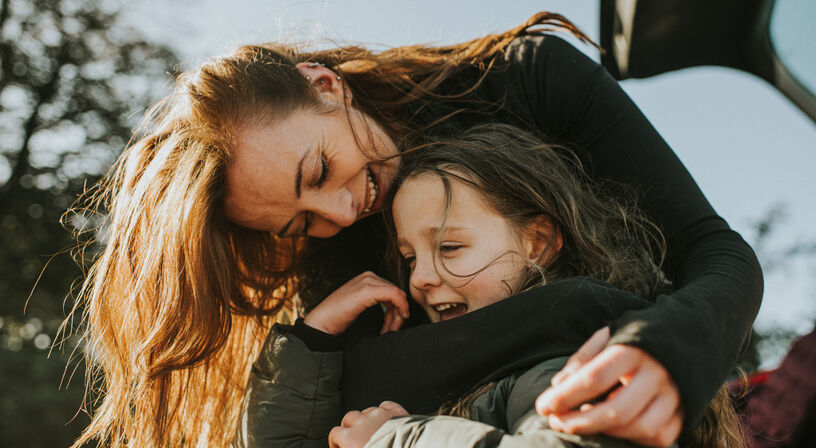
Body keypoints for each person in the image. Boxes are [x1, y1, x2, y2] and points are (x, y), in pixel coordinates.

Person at [67, 12, 762, 448]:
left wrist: (665, 347)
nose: (341, 215)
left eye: (320, 169)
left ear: (325, 84)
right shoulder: (334, 247)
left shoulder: (530, 80)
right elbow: (347, 407)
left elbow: (716, 254)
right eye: (301, 222)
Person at [239, 124, 744, 448]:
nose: (421, 278)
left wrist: (390, 441)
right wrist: (313, 338)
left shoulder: (573, 357)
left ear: (539, 244)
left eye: (450, 248)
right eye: (410, 258)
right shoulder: (467, 376)